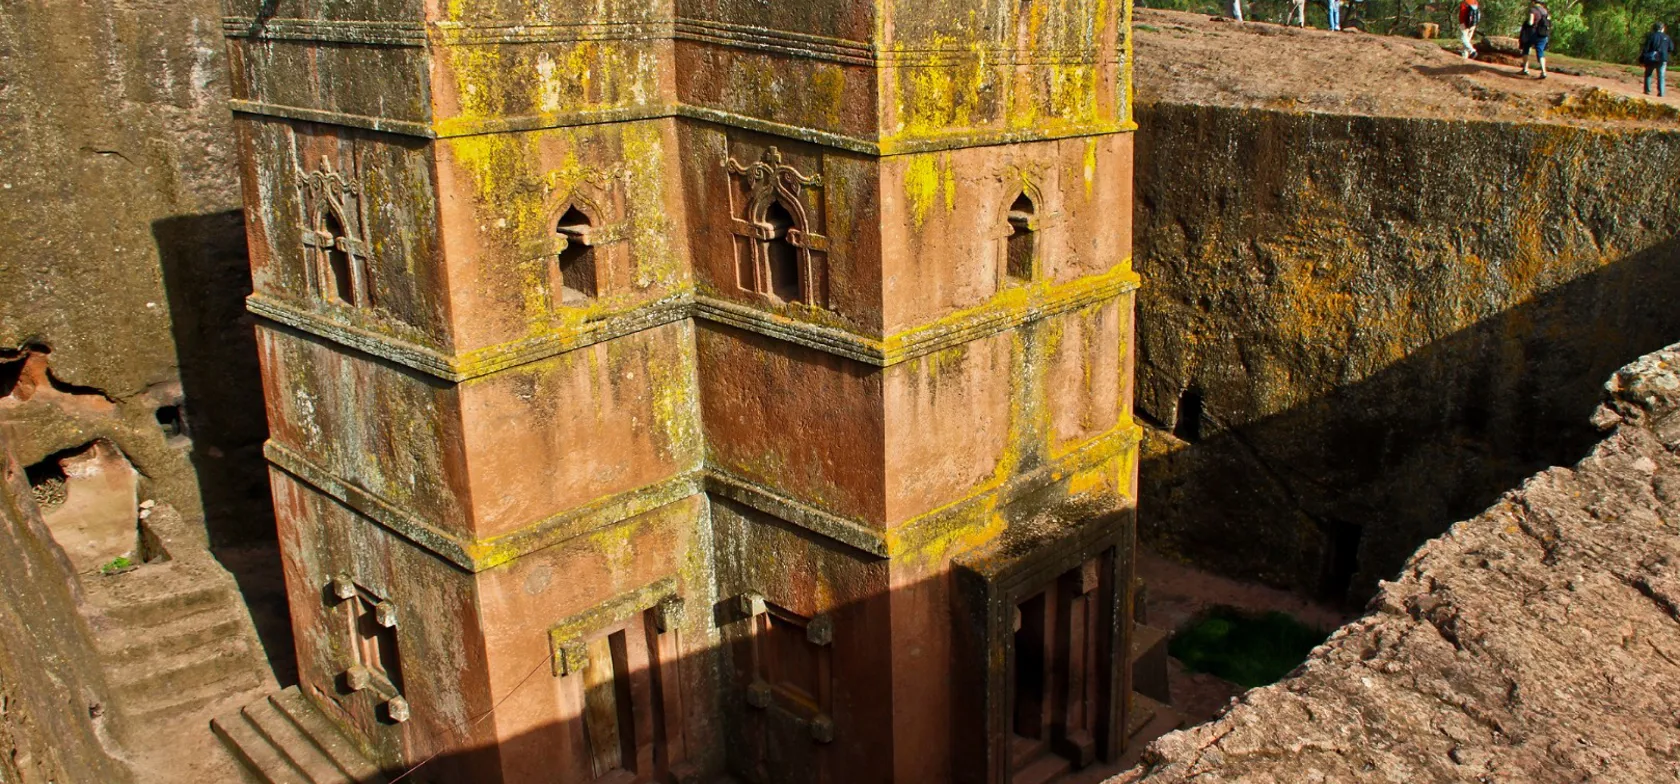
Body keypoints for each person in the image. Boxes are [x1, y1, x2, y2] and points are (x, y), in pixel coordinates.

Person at [1519, 0, 1552, 78]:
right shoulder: (1545, 11)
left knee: (1526, 47)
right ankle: (1543, 72)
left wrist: (1526, 24)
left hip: (1533, 34)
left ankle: (1525, 69)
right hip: (1543, 34)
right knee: (1540, 52)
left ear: (1534, 2)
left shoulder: (1533, 10)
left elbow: (1530, 22)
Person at [1641, 22, 1673, 96]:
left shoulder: (1651, 36)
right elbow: (1671, 48)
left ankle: (1647, 90)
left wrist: (1642, 58)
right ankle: (1661, 92)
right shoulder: (1667, 37)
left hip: (1651, 58)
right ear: (1662, 28)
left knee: (1648, 74)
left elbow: (1646, 48)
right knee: (1661, 76)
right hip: (1662, 58)